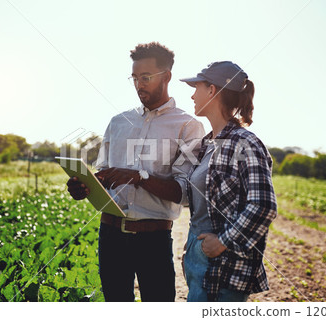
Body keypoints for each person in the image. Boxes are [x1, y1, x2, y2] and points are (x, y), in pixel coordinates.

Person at [67, 42, 205, 302]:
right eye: (134, 78)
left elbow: (184, 193)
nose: (139, 84)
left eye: (146, 77)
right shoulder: (118, 122)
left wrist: (138, 177)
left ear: (166, 77)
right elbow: (105, 176)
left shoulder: (188, 125)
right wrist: (84, 188)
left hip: (154, 239)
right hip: (110, 237)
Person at [179, 61, 277, 302]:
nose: (192, 95)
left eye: (197, 87)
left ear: (212, 90)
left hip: (222, 265)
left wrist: (222, 242)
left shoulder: (245, 142)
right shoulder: (206, 144)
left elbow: (263, 206)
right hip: (199, 256)